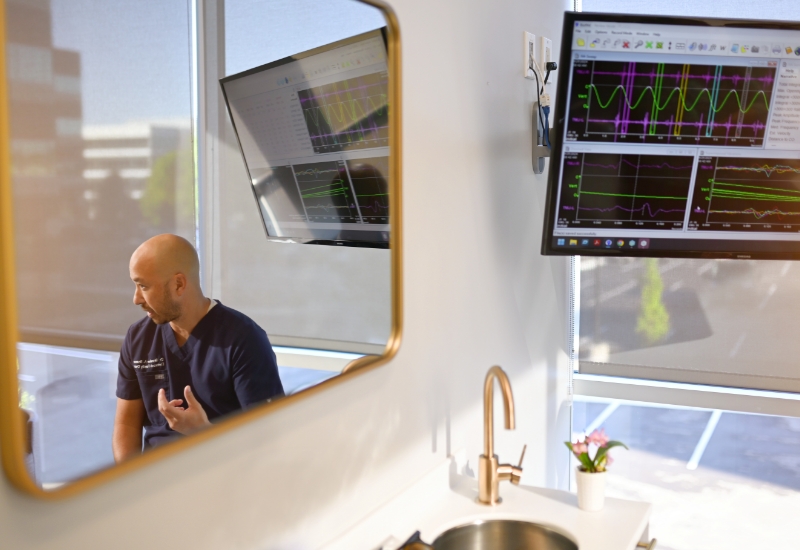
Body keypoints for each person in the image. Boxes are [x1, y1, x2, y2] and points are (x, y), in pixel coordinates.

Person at [112, 234, 284, 463]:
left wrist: (202, 432)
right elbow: (126, 423)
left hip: (221, 476)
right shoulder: (138, 337)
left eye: (143, 286)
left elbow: (269, 439)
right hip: (154, 481)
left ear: (179, 284)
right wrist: (127, 482)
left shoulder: (244, 339)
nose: (136, 299)